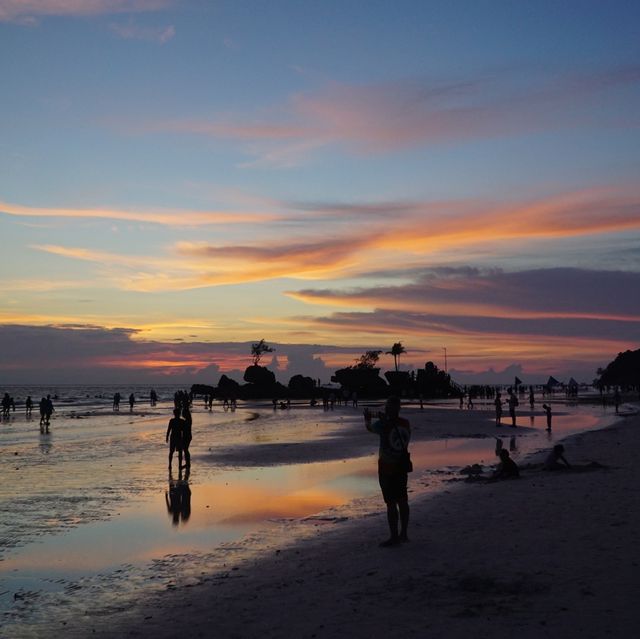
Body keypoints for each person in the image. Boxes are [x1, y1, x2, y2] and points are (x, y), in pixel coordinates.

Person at [364, 396, 411, 547]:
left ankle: (394, 537)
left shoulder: (383, 425)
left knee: (391, 503)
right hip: (401, 467)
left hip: (386, 468)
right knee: (403, 501)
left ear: (389, 409)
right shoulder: (405, 424)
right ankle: (404, 533)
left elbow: (370, 428)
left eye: (386, 407)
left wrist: (367, 419)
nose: (384, 409)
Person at [181, 405, 192, 470]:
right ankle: (187, 463)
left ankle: (187, 464)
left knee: (185, 450)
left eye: (183, 413)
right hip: (188, 436)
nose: (182, 414)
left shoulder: (187, 421)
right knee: (186, 450)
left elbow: (184, 429)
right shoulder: (188, 420)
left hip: (187, 436)